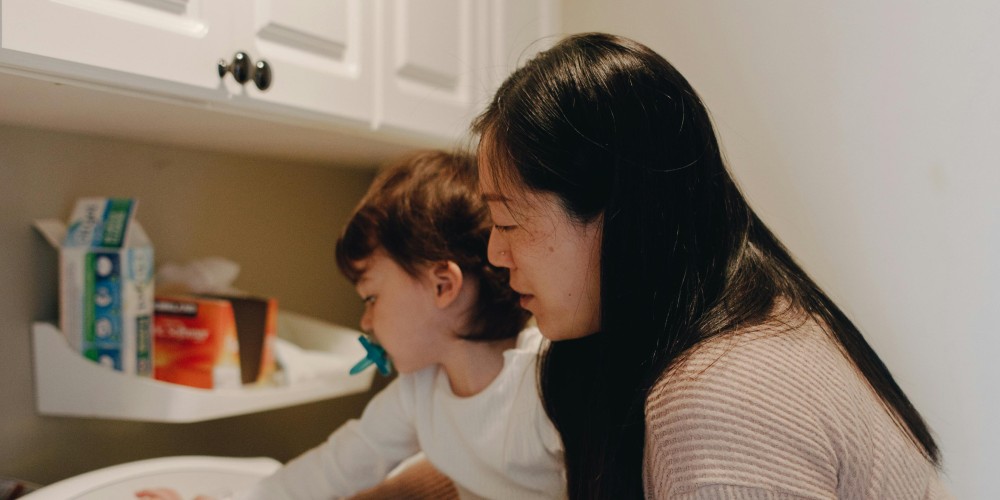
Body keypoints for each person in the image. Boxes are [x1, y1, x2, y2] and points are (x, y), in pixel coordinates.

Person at [474, 32, 952, 499]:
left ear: (614, 211)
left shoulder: (718, 401)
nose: (495, 253)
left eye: (508, 221)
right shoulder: (757, 320)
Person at [138, 150, 565, 500]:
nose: (365, 321)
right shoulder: (420, 392)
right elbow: (336, 466)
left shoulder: (542, 383)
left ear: (442, 285)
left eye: (371, 298)